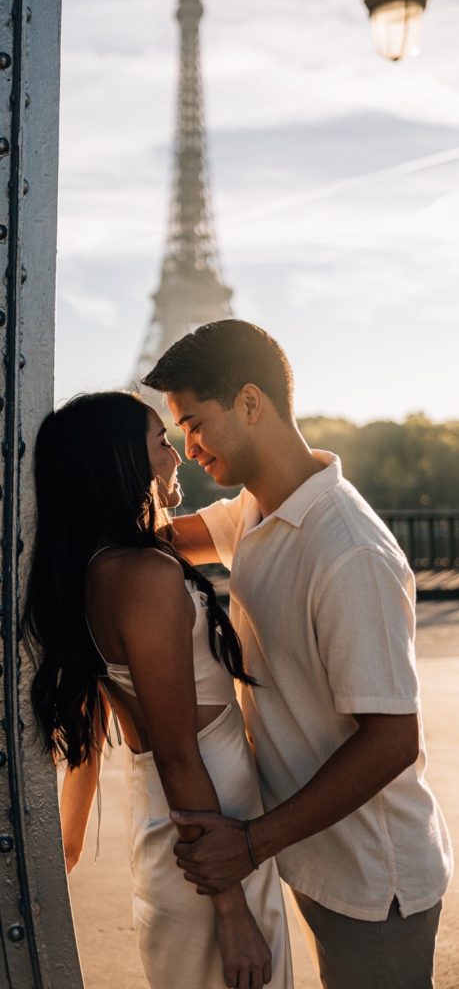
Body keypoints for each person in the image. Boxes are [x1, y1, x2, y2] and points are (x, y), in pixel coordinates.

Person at [142, 318, 453, 989]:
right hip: (311, 850)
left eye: (194, 424)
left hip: (373, 881)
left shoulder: (349, 551)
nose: (188, 448)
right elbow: (159, 543)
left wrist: (251, 844)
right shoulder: (253, 510)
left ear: (250, 404)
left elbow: (392, 740)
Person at [23, 391, 293, 989]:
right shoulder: (144, 577)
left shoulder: (100, 566)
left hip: (184, 819)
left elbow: (92, 712)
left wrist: (65, 845)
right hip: (207, 828)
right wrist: (231, 910)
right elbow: (176, 752)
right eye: (160, 442)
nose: (177, 457)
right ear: (123, 461)